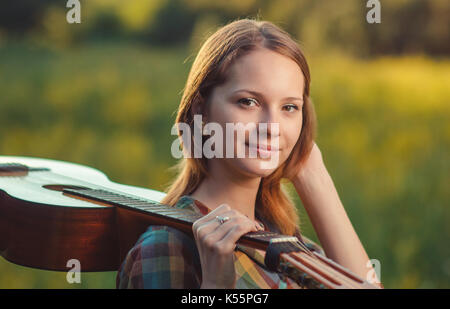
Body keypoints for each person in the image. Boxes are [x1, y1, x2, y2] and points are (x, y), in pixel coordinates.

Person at [117, 18, 382, 289]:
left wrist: (315, 177)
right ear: (201, 111)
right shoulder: (165, 248)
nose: (272, 127)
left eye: (289, 107)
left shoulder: (284, 241)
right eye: (248, 102)